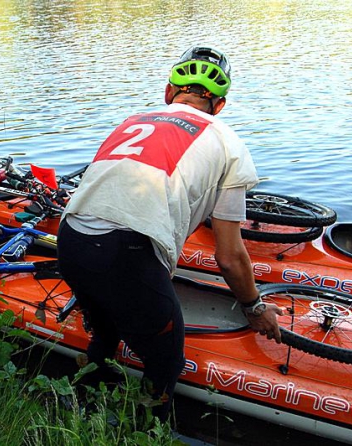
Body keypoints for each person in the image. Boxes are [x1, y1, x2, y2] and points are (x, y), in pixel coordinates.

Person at [56, 46, 284, 421]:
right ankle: (145, 432)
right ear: (220, 105)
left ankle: (80, 413)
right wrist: (254, 307)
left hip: (72, 236)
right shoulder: (229, 143)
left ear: (168, 92)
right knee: (166, 362)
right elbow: (229, 256)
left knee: (106, 331)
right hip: (126, 251)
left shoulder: (133, 119)